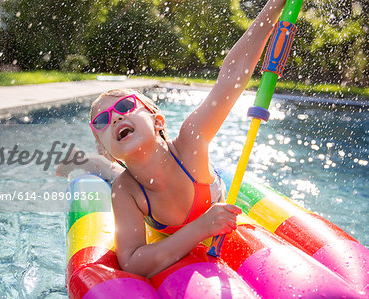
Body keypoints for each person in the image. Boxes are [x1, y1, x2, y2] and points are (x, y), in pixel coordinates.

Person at [89, 0, 287, 278]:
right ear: (108, 148)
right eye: (102, 121)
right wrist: (201, 228)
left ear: (158, 120)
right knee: (111, 175)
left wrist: (273, 7)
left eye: (124, 107)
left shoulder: (190, 141)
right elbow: (132, 262)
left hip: (208, 182)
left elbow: (231, 77)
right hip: (140, 187)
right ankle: (97, 164)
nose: (116, 118)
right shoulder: (126, 190)